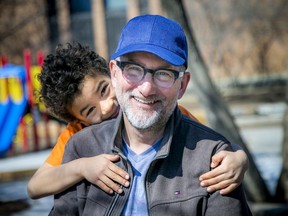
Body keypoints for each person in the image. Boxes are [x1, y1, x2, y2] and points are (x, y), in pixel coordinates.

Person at [49, 15, 252, 215]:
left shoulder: (215, 160)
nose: (146, 89)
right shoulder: (81, 147)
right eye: (133, 69)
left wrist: (239, 155)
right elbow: (37, 187)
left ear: (182, 85)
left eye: (164, 73)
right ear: (114, 73)